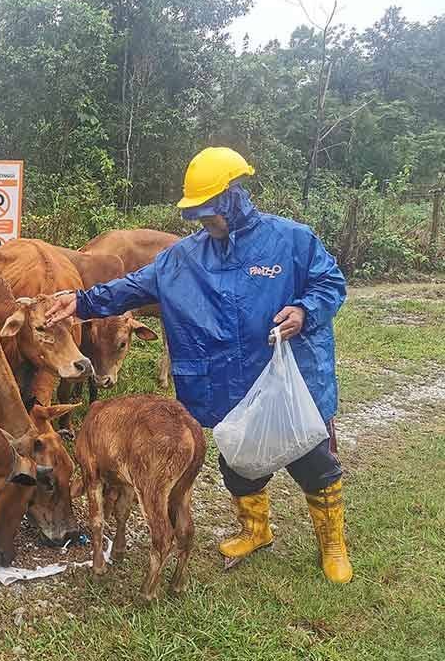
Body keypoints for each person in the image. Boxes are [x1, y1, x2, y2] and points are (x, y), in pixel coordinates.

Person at [45, 147, 352, 583]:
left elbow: (330, 283)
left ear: (233, 196)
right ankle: (255, 529)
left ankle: (333, 544)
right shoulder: (184, 258)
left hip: (287, 379)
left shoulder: (291, 240)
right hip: (228, 380)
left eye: (210, 209)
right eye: (198, 212)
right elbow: (130, 288)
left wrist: (304, 310)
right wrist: (79, 302)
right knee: (238, 457)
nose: (203, 220)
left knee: (311, 457)